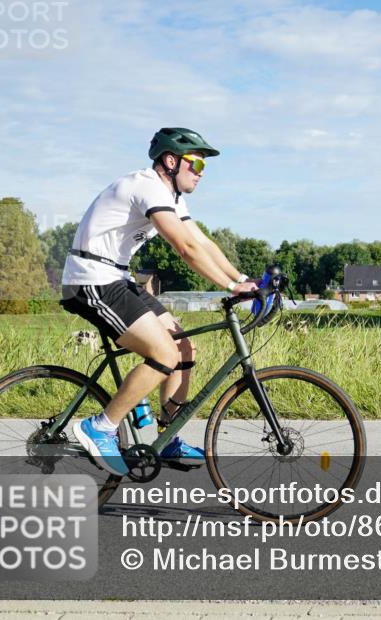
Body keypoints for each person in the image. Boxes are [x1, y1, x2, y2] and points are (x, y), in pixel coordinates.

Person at [60, 127, 257, 475]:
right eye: (196, 163)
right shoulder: (146, 185)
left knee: (183, 348)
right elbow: (185, 248)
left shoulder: (172, 197)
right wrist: (229, 286)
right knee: (164, 353)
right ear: (170, 160)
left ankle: (166, 437)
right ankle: (100, 427)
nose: (201, 173)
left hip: (115, 277)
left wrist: (241, 280)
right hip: (90, 279)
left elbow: (202, 242)